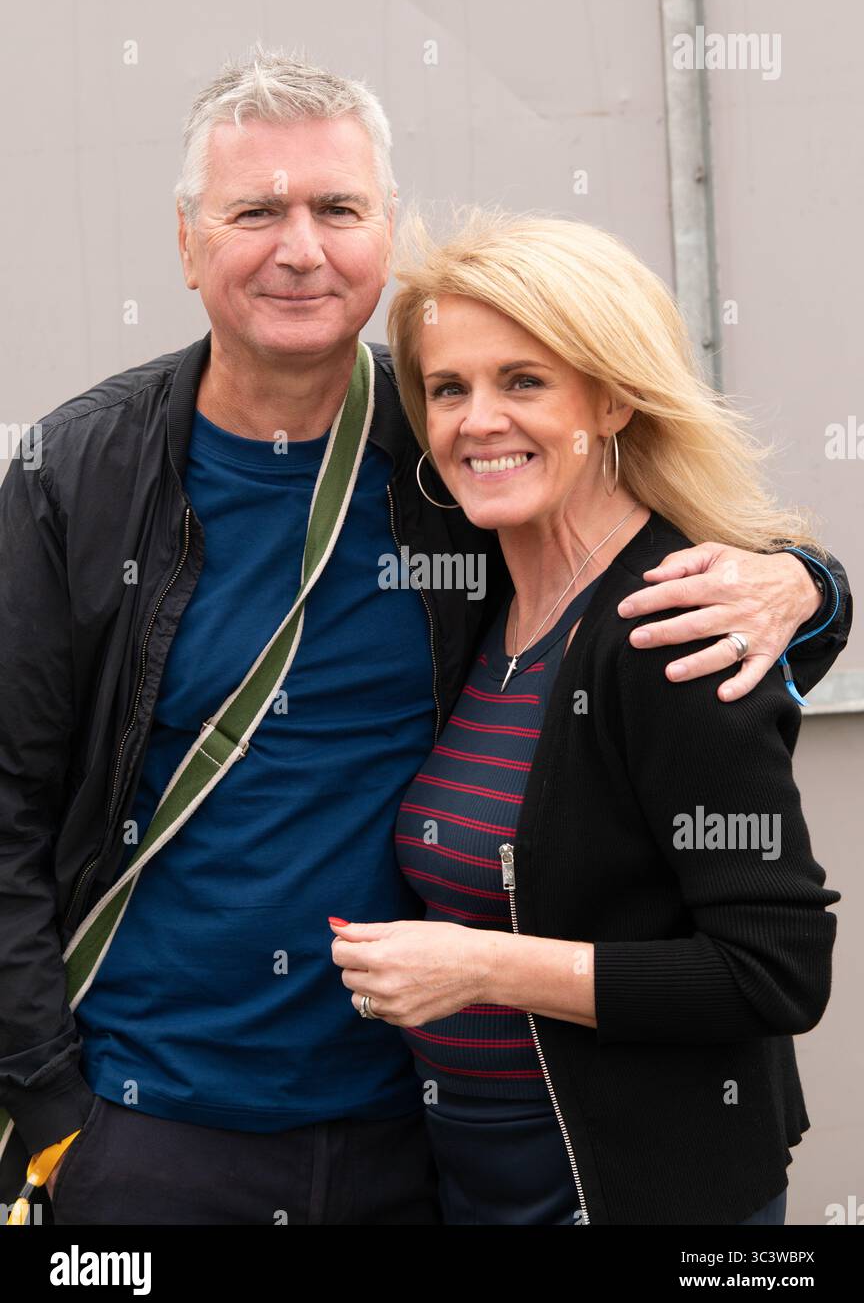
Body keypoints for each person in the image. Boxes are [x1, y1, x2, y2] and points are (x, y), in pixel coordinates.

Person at [0, 48, 850, 1226]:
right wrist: (53, 1115)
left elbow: (663, 607)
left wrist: (806, 585)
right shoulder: (78, 477)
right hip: (156, 1133)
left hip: (421, 1136)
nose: (301, 247)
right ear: (188, 242)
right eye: (256, 210)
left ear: (383, 234)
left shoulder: (453, 441)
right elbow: (7, 804)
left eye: (338, 209)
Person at [329, 207, 846, 1225]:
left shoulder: (668, 626)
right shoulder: (476, 599)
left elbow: (775, 971)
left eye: (524, 381)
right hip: (480, 1183)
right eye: (448, 387)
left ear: (610, 400)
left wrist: (481, 964)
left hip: (636, 1194)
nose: (479, 419)